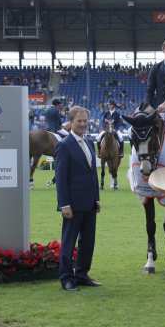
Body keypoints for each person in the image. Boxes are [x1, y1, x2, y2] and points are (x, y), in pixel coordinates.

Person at [55, 106, 101, 292]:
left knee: (88, 241)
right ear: (71, 123)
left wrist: (97, 198)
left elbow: (93, 175)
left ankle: (82, 274)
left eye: (85, 121)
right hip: (72, 205)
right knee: (69, 241)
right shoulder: (64, 145)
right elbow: (60, 177)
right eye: (79, 121)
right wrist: (64, 203)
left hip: (90, 203)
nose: (83, 124)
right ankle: (66, 278)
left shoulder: (89, 142)